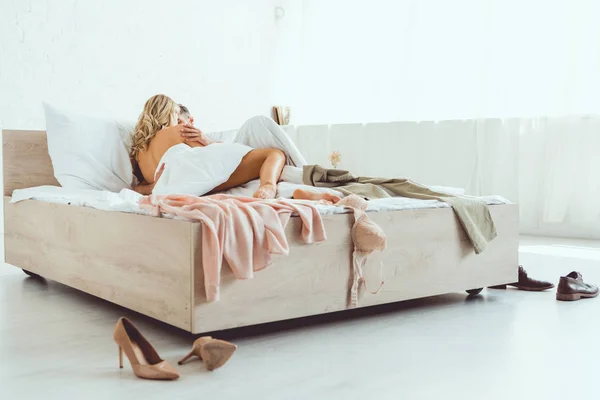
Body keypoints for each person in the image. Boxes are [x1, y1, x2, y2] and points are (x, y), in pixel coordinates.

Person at [131, 94, 286, 199]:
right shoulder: (179, 130)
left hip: (178, 189)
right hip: (200, 181)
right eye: (176, 115)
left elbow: (139, 188)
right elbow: (215, 153)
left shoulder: (139, 153)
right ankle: (268, 186)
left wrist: (153, 188)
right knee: (274, 154)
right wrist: (207, 140)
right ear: (170, 113)